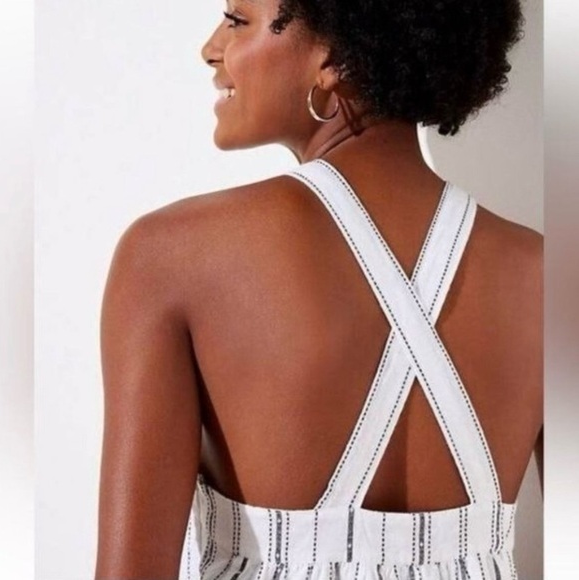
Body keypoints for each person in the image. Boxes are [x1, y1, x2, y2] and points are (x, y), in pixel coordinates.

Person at [95, 0, 543, 578]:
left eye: (237, 21)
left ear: (334, 60)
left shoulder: (171, 256)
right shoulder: (544, 276)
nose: (211, 48)